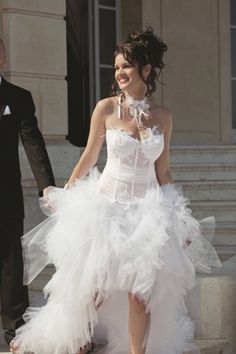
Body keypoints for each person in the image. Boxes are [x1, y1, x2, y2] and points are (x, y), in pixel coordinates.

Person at [10, 28, 220, 354]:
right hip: (106, 207)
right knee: (93, 288)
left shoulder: (163, 117)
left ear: (146, 71)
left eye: (127, 66)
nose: (119, 73)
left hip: (148, 213)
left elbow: (162, 169)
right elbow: (90, 155)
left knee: (142, 292)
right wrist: (66, 191)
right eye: (117, 66)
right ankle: (73, 338)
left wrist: (180, 216)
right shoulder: (106, 109)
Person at [0, 39, 55, 345]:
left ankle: (15, 332)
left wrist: (46, 185)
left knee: (11, 266)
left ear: (2, 56)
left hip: (5, 196)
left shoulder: (18, 98)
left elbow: (33, 143)